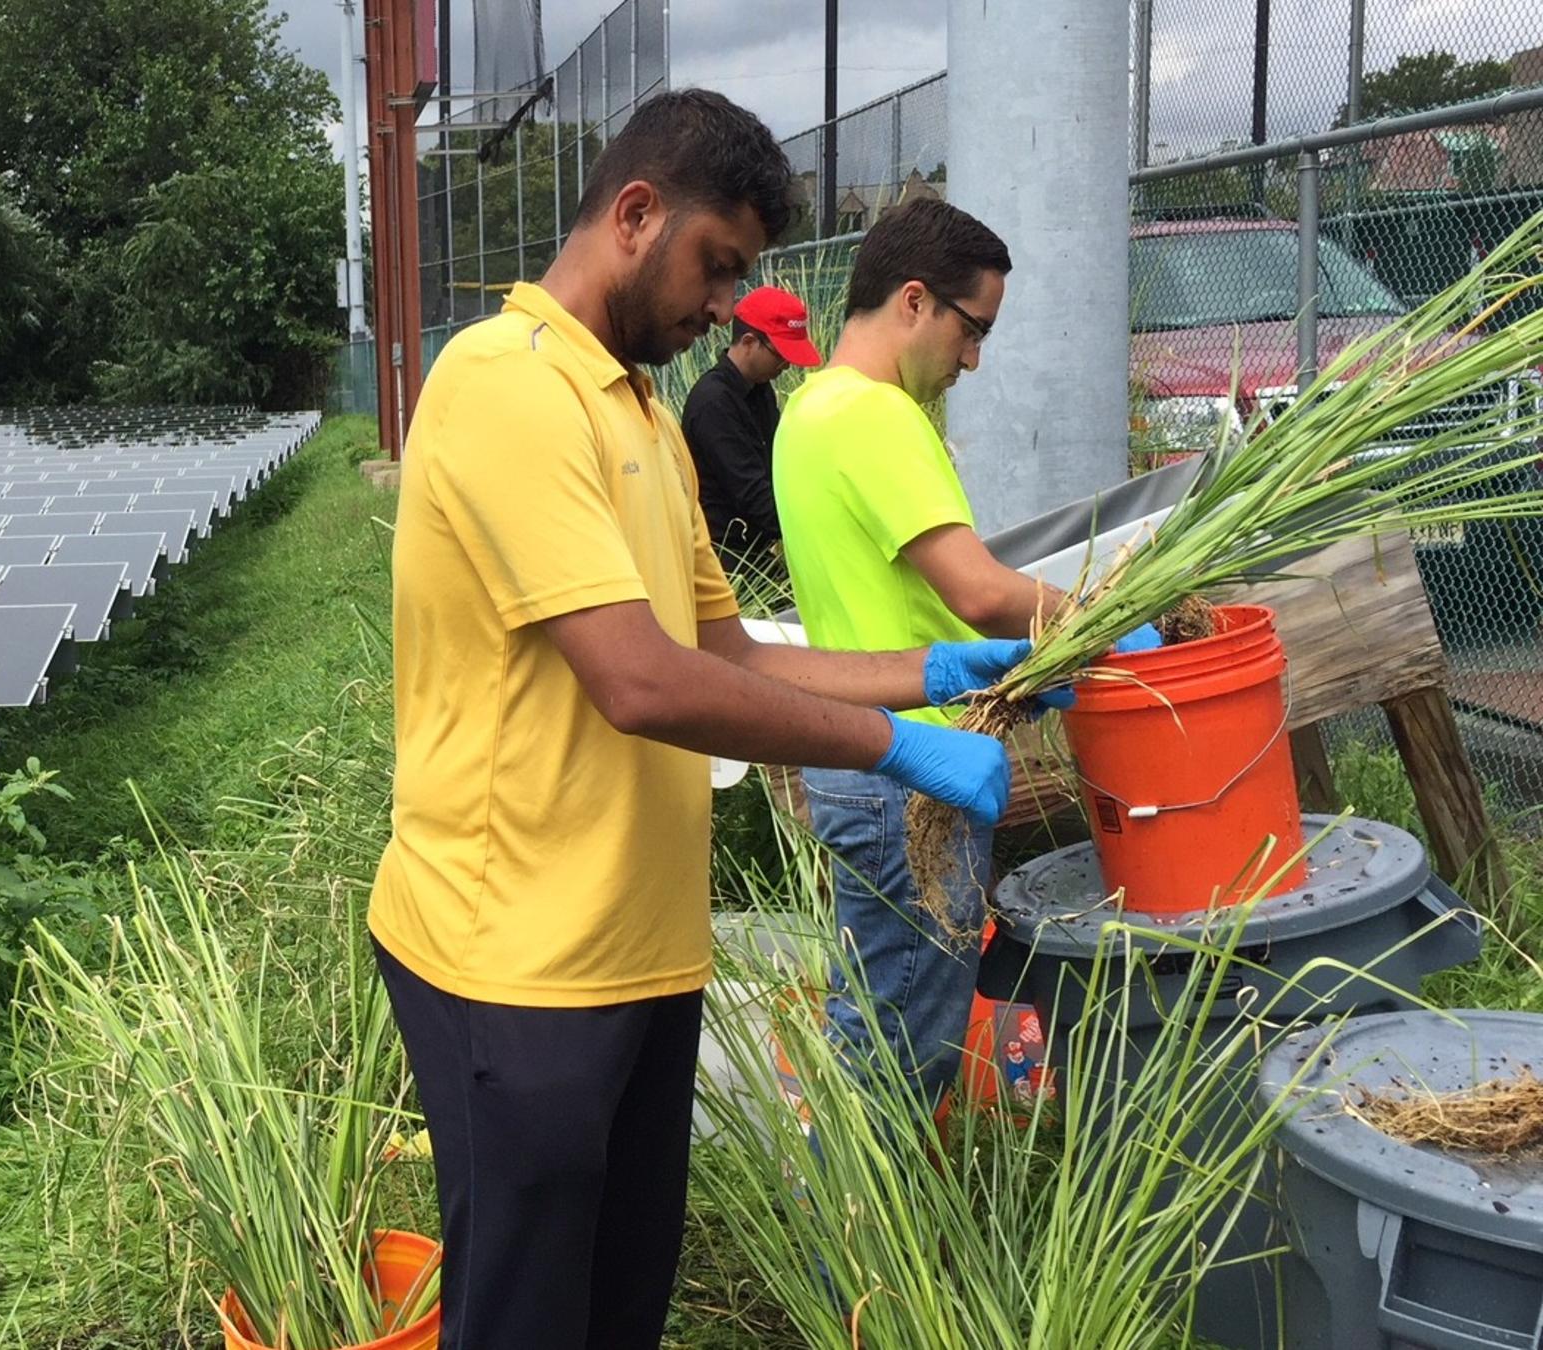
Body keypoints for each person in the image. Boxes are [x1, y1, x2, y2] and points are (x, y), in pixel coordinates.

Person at [369, 90, 1043, 1349]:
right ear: (635, 215)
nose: (727, 306)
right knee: (525, 1317)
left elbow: (730, 652)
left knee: (621, 1303)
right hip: (511, 957)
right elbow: (642, 680)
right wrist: (895, 749)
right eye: (716, 267)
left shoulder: (641, 420)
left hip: (640, 947)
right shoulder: (505, 386)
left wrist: (941, 673)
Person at [771, 197, 1161, 1107]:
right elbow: (979, 592)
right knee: (905, 1050)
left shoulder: (810, 412)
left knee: (877, 1015)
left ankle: (847, 1223)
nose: (974, 358)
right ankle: (859, 1248)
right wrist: (1102, 621)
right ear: (915, 301)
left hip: (864, 756)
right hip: (911, 773)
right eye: (972, 329)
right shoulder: (875, 417)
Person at [679, 285, 822, 570]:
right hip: (720, 557)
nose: (786, 365)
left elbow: (781, 464)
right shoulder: (713, 403)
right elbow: (752, 494)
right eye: (780, 354)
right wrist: (818, 532)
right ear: (748, 342)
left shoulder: (759, 390)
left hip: (753, 550)